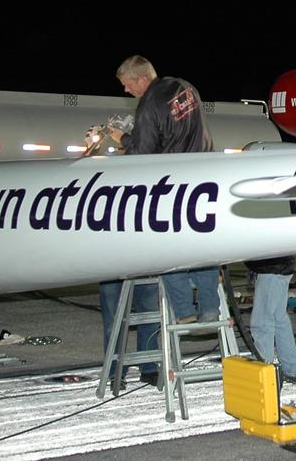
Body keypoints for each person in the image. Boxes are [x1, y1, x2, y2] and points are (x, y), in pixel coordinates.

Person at [99, 55, 221, 388]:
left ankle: (184, 311)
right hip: (204, 181)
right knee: (204, 246)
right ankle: (210, 307)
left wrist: (121, 139)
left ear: (140, 79)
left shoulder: (150, 103)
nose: (126, 90)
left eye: (126, 84)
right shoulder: (185, 88)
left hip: (174, 186)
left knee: (169, 253)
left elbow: (143, 157)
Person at [246, 254, 296, 382]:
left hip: (272, 266)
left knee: (262, 321)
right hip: (285, 265)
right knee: (278, 319)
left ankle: (263, 373)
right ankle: (291, 370)